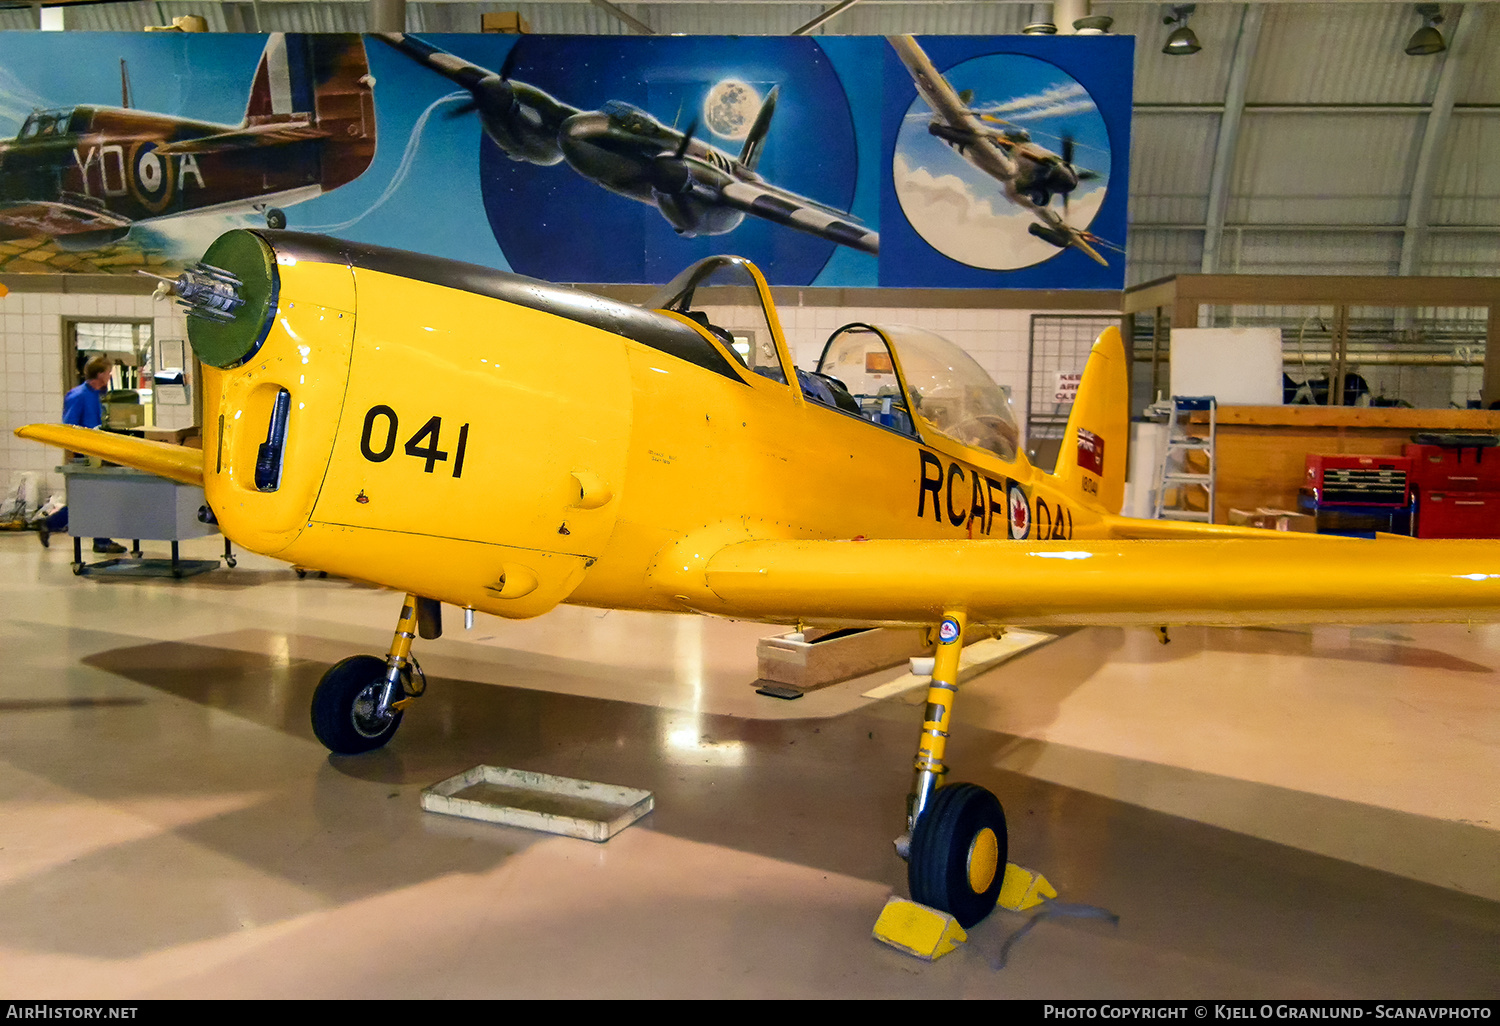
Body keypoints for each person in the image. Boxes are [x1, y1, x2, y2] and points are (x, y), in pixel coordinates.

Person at [49, 356, 124, 554]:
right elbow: (69, 428)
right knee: (87, 499)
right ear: (99, 374)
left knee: (97, 499)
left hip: (101, 452)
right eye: (108, 372)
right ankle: (51, 524)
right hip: (84, 455)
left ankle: (101, 541)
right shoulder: (78, 395)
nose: (109, 376)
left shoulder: (103, 394)